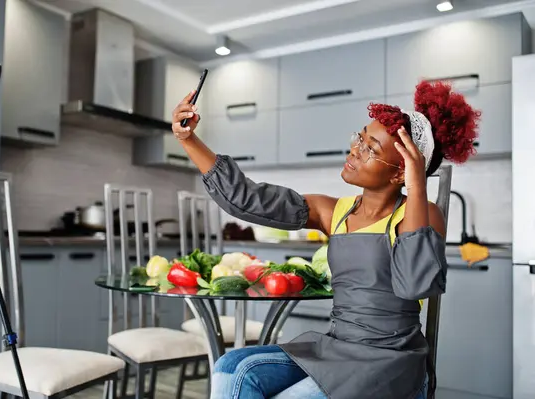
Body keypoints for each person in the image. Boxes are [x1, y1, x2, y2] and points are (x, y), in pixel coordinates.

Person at [171, 79, 480, 399]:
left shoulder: (422, 213)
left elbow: (416, 285)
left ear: (400, 173)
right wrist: (189, 139)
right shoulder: (335, 211)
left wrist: (417, 187)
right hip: (336, 347)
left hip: (390, 363)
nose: (355, 150)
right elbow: (248, 200)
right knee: (232, 366)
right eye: (360, 138)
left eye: (370, 149)